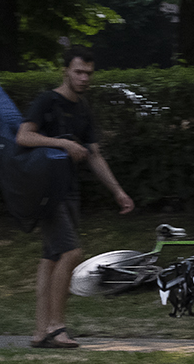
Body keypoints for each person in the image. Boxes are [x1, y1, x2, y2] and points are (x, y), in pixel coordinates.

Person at [16, 45, 134, 348]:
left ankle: (41, 331)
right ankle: (57, 327)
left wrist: (118, 191)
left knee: (51, 258)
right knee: (72, 253)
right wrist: (63, 144)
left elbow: (94, 155)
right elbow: (23, 136)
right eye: (79, 72)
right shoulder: (47, 101)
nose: (84, 78)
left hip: (69, 191)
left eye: (89, 74)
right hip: (46, 194)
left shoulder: (83, 108)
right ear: (66, 70)